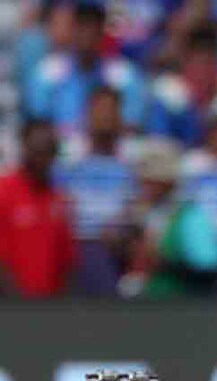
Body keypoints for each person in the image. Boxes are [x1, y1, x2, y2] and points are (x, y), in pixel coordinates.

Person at [103, 139, 217, 297]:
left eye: (152, 180)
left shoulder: (192, 217)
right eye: (143, 180)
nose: (144, 186)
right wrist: (119, 249)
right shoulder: (140, 215)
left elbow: (210, 272)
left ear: (169, 182)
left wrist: (163, 262)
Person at [24, 2, 146, 157]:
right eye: (82, 25)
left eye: (94, 25)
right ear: (72, 29)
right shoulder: (48, 72)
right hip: (60, 155)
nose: (88, 32)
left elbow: (132, 125)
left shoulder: (123, 74)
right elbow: (39, 124)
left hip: (110, 152)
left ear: (103, 29)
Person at [0, 120, 77, 298]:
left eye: (48, 151)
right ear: (24, 148)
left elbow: (67, 263)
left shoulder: (59, 199)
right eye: (36, 150)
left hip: (50, 309)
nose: (41, 158)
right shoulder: (4, 192)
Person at [148, 25, 217, 147]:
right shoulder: (166, 89)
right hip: (178, 155)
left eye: (209, 64)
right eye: (197, 65)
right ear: (185, 64)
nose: (203, 72)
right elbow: (159, 138)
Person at [54, 86, 139, 237]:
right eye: (100, 110)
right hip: (75, 240)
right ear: (87, 114)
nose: (105, 116)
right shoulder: (67, 158)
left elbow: (135, 205)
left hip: (117, 244)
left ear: (120, 117)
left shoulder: (133, 159)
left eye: (111, 110)